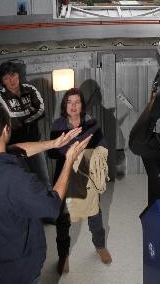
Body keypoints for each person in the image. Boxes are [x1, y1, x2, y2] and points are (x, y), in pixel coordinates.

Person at [0, 102, 89, 284]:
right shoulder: (17, 179)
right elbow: (52, 205)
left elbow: (13, 150)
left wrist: (53, 143)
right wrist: (69, 160)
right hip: (17, 272)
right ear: (6, 130)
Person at [50, 88, 112, 274]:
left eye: (77, 102)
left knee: (94, 212)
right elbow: (52, 153)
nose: (74, 106)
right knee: (63, 218)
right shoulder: (58, 124)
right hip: (65, 175)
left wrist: (94, 151)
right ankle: (63, 255)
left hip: (87, 176)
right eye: (70, 102)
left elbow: (103, 144)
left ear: (82, 105)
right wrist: (73, 147)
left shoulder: (90, 121)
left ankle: (100, 246)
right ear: (65, 105)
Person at [0, 61, 49, 186]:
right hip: (15, 147)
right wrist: (30, 113)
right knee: (24, 184)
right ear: (2, 81)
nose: (11, 80)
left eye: (13, 75)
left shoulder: (30, 89)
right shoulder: (0, 95)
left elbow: (41, 111)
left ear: (18, 75)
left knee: (44, 181)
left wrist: (23, 119)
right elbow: (11, 119)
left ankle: (48, 204)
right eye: (6, 78)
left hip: (34, 142)